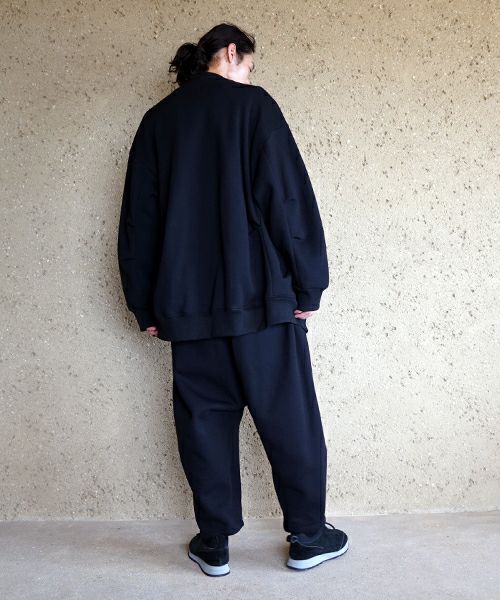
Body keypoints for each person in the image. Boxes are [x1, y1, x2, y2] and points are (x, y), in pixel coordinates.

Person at [117, 21, 349, 576]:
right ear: (230, 53)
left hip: (187, 309)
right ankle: (308, 536)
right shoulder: (253, 108)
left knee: (204, 424)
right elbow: (287, 200)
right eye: (250, 65)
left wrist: (145, 305)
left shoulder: (158, 121)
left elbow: (139, 221)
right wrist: (308, 284)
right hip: (262, 302)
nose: (250, 76)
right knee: (289, 419)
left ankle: (214, 542)